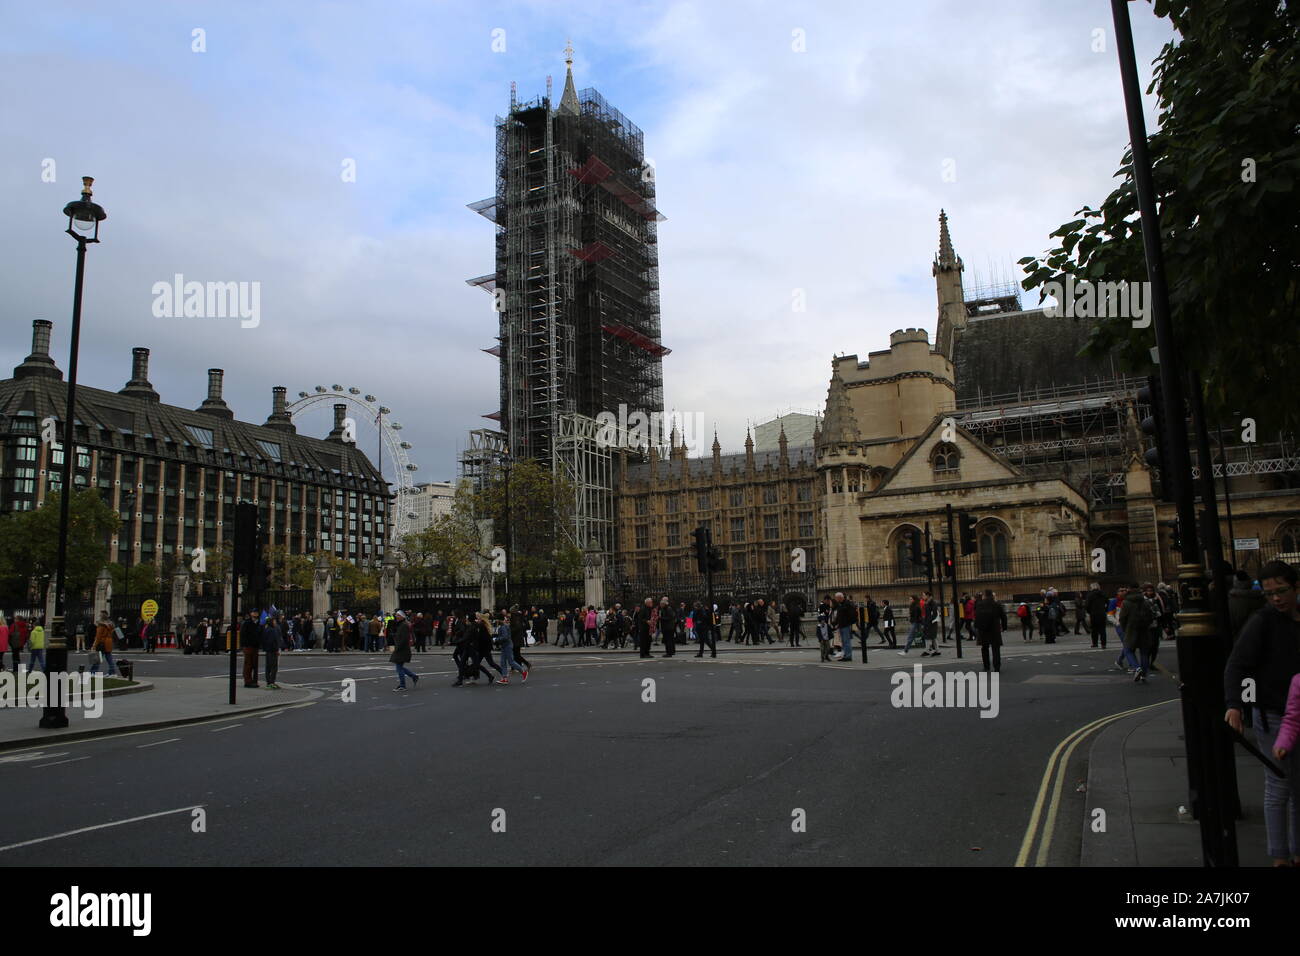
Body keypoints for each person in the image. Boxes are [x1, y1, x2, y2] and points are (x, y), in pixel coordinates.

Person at [1223, 560, 1300, 866]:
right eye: (1269, 594)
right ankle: (1279, 855)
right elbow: (1237, 665)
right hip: (1273, 714)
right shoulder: (1262, 621)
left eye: (1281, 591)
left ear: (1296, 588)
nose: (1276, 598)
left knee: (1298, 787)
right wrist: (1235, 705)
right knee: (1279, 784)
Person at [1118, 583, 1155, 682]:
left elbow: (1122, 618)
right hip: (1143, 629)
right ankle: (1144, 674)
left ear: (1129, 589)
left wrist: (1124, 628)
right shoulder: (1145, 602)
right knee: (1144, 652)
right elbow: (1151, 616)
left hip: (1131, 629)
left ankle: (1137, 667)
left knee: (1128, 650)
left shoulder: (1126, 602)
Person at [974, 590, 1007, 673]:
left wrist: (977, 627)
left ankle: (986, 666)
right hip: (994, 629)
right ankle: (997, 667)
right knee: (995, 649)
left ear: (985, 595)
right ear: (992, 595)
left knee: (984, 648)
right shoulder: (996, 604)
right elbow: (1003, 617)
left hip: (983, 630)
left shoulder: (980, 604)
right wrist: (1004, 627)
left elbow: (976, 616)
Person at [387, 610, 419, 691]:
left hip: (402, 649)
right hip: (402, 649)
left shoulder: (404, 625)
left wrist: (397, 647)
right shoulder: (401, 624)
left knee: (399, 668)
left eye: (398, 615)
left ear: (402, 616)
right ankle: (413, 676)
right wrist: (394, 635)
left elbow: (404, 638)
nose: (396, 617)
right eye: (396, 615)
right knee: (399, 667)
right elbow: (401, 636)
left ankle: (403, 685)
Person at [495, 611, 528, 684]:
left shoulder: (503, 627)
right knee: (503, 662)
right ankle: (504, 678)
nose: (496, 621)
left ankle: (523, 672)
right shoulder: (503, 626)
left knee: (511, 662)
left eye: (496, 619)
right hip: (505, 646)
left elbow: (505, 637)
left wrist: (496, 640)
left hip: (507, 646)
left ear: (499, 619)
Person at [833, 592, 860, 662]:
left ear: (840, 598)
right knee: (844, 642)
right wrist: (836, 623)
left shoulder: (847, 604)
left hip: (846, 625)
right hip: (841, 625)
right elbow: (839, 615)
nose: (836, 599)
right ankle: (845, 655)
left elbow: (853, 615)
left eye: (836, 598)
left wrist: (849, 623)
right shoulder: (840, 604)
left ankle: (848, 656)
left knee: (846, 641)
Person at [240, 609, 261, 688]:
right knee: (248, 664)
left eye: (256, 612)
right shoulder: (247, 623)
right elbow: (243, 635)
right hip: (248, 646)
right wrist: (244, 645)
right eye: (254, 612)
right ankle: (247, 680)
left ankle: (253, 680)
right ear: (251, 613)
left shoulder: (258, 623)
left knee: (254, 664)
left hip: (255, 646)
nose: (255, 614)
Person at [262, 613, 282, 689]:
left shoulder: (266, 629)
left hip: (268, 650)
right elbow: (273, 641)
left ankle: (269, 681)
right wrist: (276, 650)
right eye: (274, 621)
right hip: (272, 650)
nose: (275, 622)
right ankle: (271, 682)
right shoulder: (272, 630)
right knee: (274, 667)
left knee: (268, 666)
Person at [1085, 583, 1109, 648]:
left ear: (1092, 588)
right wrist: (1105, 610)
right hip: (1102, 613)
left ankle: (1095, 643)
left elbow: (1087, 605)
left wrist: (1089, 612)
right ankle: (1103, 644)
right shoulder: (1103, 594)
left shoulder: (1090, 595)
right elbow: (1108, 602)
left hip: (1093, 614)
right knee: (1102, 630)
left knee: (1094, 630)